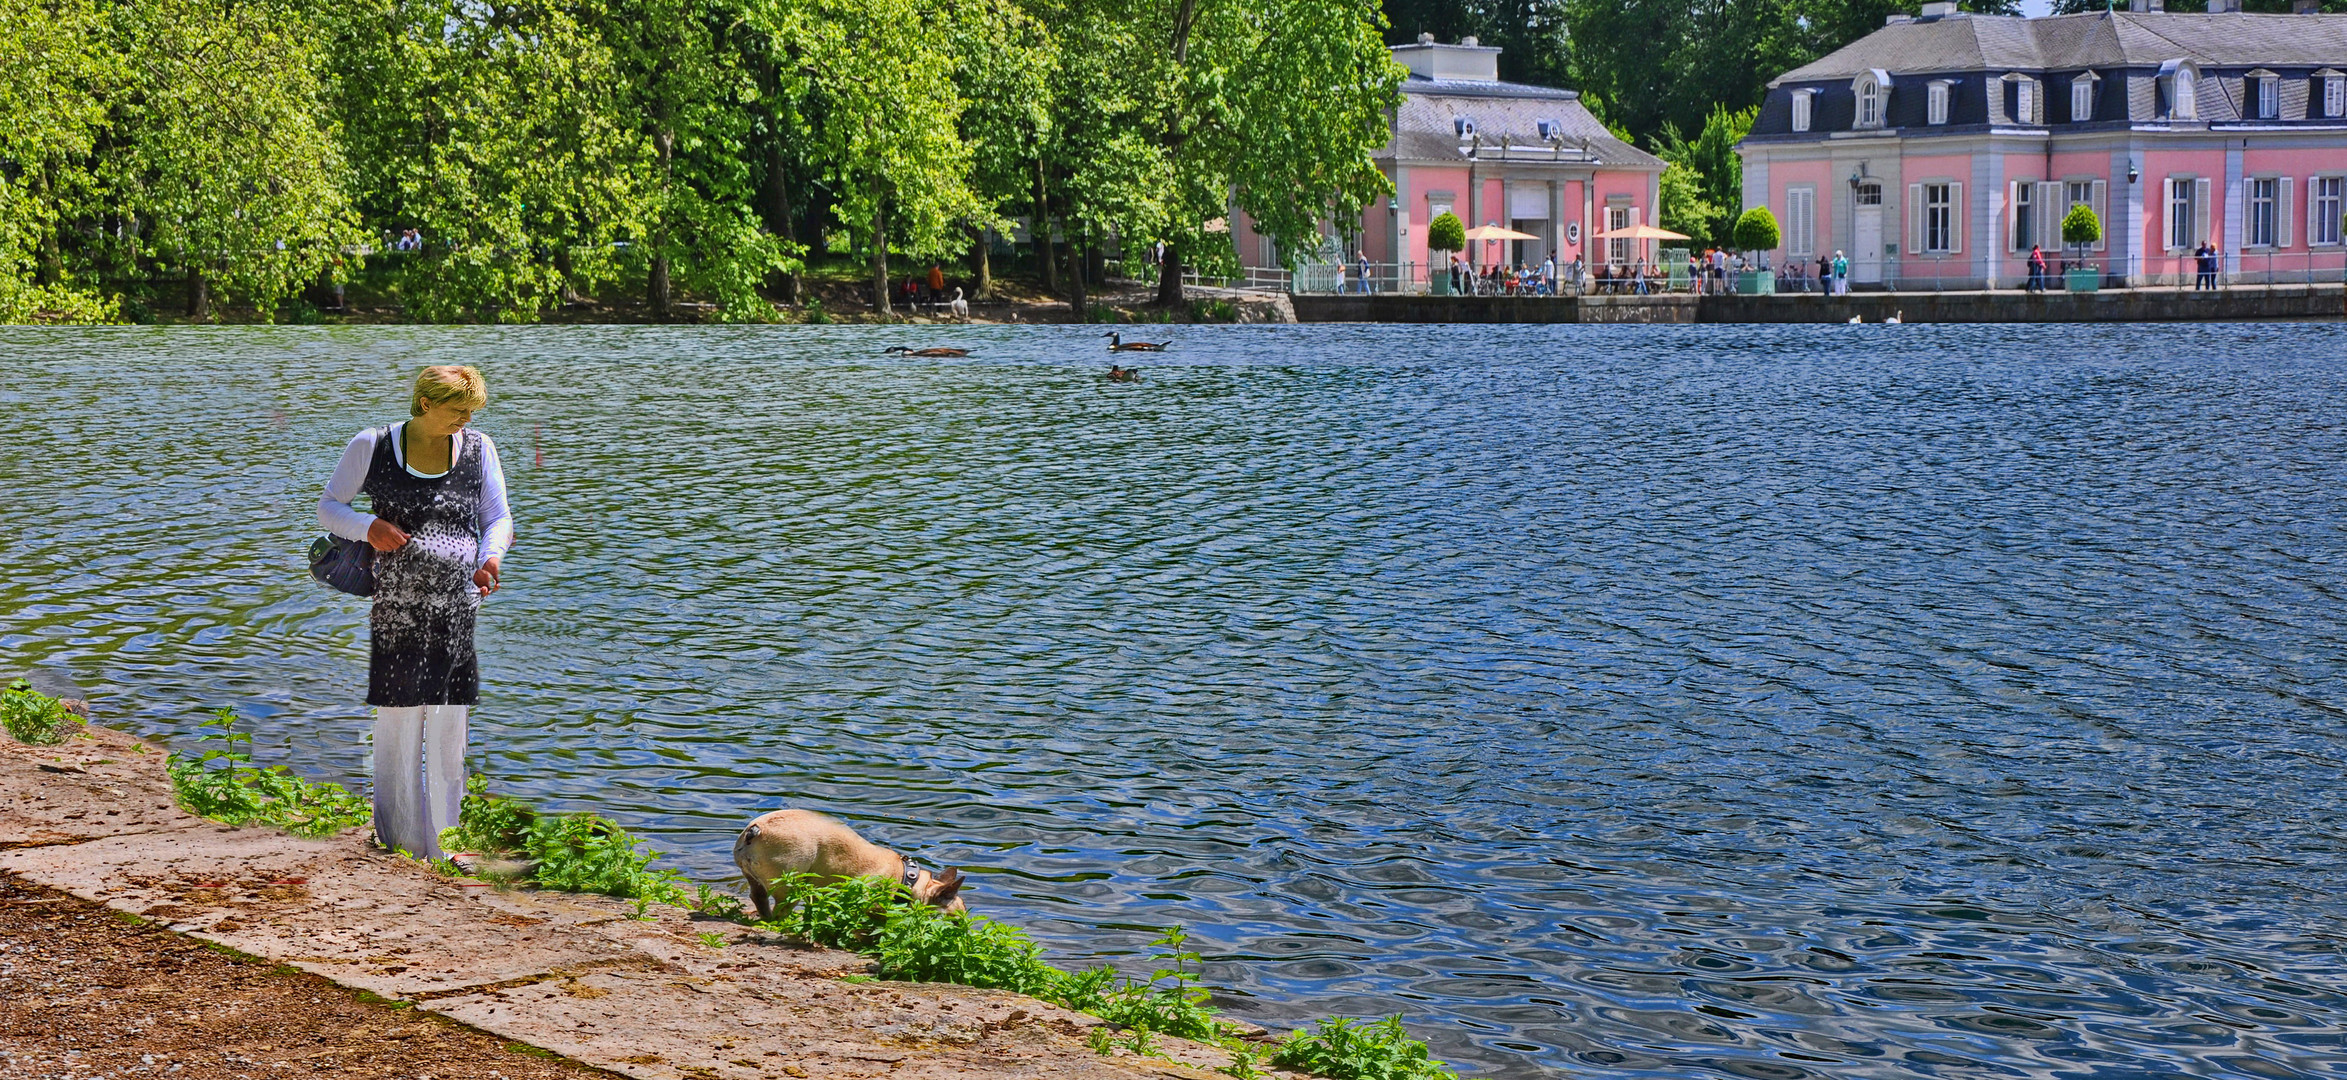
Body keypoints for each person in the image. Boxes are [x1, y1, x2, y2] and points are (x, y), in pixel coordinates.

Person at [318, 366, 513, 860]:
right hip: (396, 608)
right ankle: (399, 841)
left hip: (459, 605)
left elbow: (498, 517)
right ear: (425, 404)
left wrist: (492, 555)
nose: (467, 419)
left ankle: (447, 846)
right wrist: (367, 526)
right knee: (399, 723)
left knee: (450, 724)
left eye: (472, 411)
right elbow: (328, 507)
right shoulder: (373, 444)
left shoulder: (478, 447)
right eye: (458, 410)